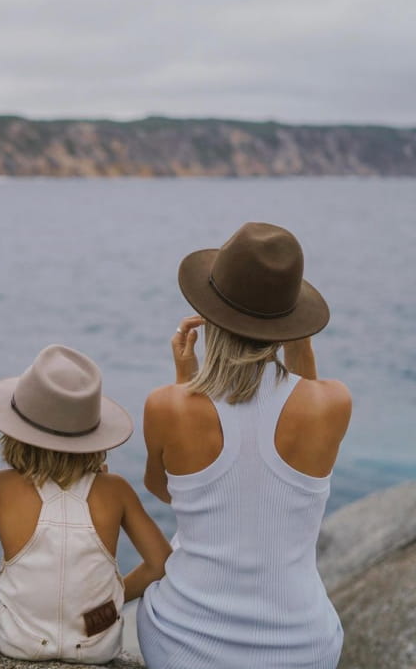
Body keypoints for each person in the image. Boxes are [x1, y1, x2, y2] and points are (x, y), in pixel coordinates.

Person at [138, 222, 352, 669]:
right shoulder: (333, 403)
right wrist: (298, 337)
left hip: (187, 645)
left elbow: (168, 490)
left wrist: (185, 381)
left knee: (150, 607)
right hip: (303, 649)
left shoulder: (166, 405)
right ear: (288, 324)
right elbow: (303, 402)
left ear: (208, 313)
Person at [0, 344, 172, 664]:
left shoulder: (1, 485)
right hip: (95, 647)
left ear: (16, 432)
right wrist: (111, 600)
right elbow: (161, 562)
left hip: (19, 640)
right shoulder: (115, 490)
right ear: (91, 437)